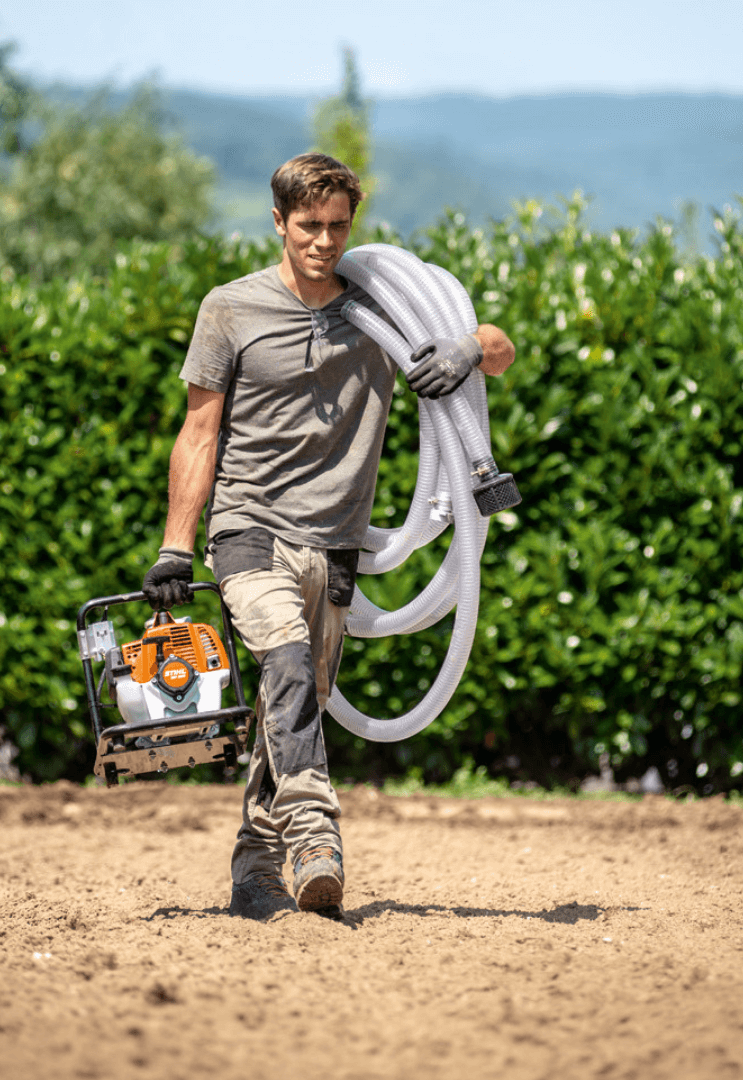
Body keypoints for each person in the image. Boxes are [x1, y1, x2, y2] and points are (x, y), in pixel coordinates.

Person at [142, 153, 515, 920]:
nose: (323, 241)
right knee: (282, 659)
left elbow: (501, 348)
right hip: (249, 529)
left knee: (294, 704)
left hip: (335, 541)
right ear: (278, 221)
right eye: (308, 226)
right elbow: (199, 432)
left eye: (338, 226)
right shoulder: (231, 309)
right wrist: (176, 548)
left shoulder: (381, 313)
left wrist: (468, 349)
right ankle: (315, 836)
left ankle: (254, 870)